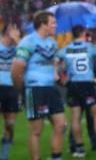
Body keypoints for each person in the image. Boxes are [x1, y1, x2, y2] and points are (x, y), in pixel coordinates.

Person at [11, 11, 67, 160]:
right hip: (34, 89)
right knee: (36, 130)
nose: (56, 26)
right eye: (53, 23)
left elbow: (52, 64)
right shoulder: (28, 41)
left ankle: (55, 157)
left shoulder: (52, 43)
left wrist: (56, 75)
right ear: (42, 24)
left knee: (61, 125)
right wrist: (21, 89)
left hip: (51, 89)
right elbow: (17, 69)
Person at [56, 25, 96, 157]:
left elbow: (55, 63)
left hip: (72, 84)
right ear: (83, 33)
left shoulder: (65, 49)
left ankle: (80, 150)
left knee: (75, 118)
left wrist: (59, 78)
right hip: (87, 84)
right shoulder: (90, 47)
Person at [0, 23, 20, 160]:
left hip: (12, 89)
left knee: (10, 125)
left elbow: (28, 55)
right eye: (15, 30)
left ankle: (4, 156)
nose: (18, 32)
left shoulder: (18, 48)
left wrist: (18, 40)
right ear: (7, 32)